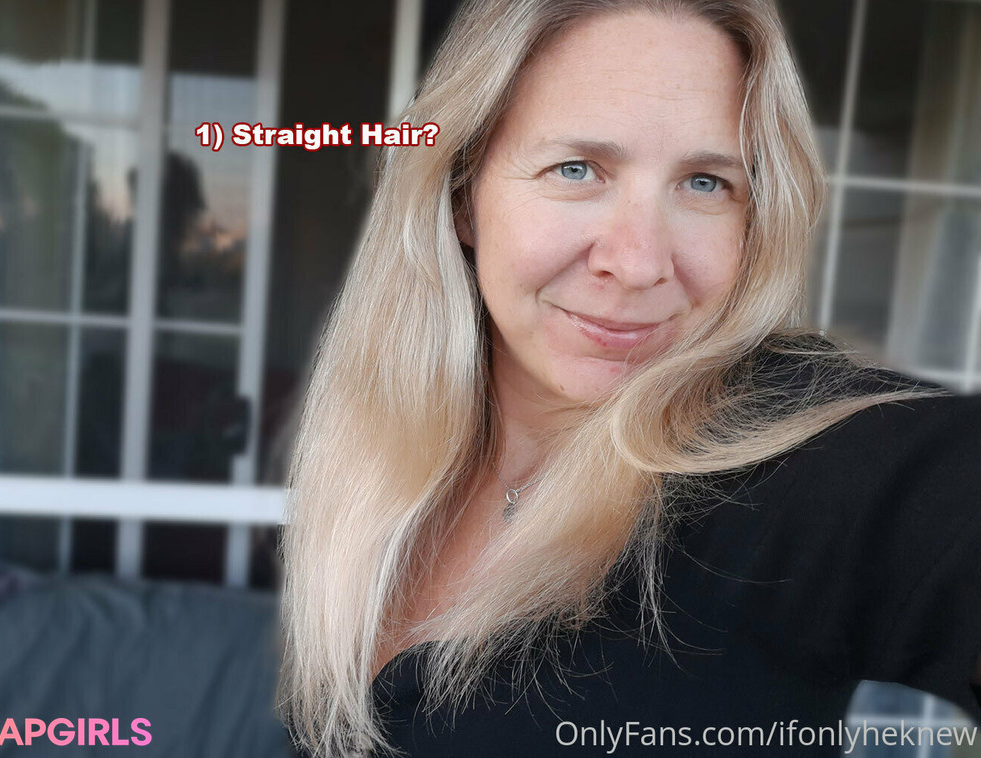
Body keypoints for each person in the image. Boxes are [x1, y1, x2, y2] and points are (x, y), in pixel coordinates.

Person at [276, 0, 981, 755]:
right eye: (576, 170)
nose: (640, 262)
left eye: (705, 183)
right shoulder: (384, 469)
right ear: (462, 198)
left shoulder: (807, 459)